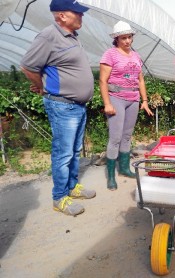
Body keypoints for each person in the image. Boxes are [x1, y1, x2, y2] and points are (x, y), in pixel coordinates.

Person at [20, 0, 96, 216]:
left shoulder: (72, 37)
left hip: (77, 106)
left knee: (74, 151)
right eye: (77, 13)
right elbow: (27, 65)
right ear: (62, 15)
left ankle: (72, 187)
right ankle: (60, 197)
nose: (82, 16)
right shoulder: (48, 36)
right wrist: (42, 86)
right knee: (63, 154)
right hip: (62, 106)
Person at [99, 21, 153, 191]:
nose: (128, 41)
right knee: (115, 137)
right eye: (123, 38)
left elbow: (140, 79)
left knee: (127, 136)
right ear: (116, 39)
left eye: (129, 37)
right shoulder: (110, 55)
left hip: (133, 99)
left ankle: (124, 168)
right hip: (116, 98)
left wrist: (144, 100)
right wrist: (107, 103)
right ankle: (111, 176)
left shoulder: (136, 55)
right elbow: (102, 80)